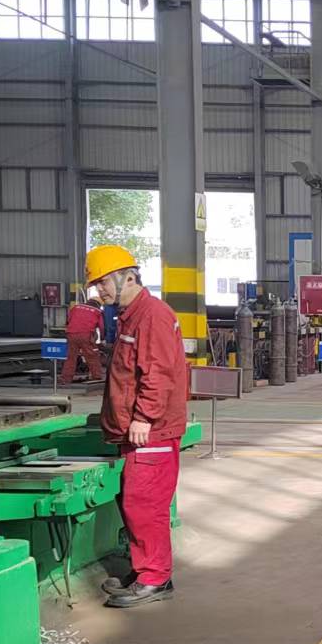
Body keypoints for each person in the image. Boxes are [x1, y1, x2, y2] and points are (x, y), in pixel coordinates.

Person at [85, 244, 190, 608]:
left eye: (103, 283)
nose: (99, 291)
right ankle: (146, 570)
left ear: (128, 278)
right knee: (136, 503)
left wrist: (144, 416)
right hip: (140, 430)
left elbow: (158, 372)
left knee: (146, 505)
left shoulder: (152, 316)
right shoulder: (131, 316)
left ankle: (155, 579)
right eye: (97, 285)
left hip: (152, 430)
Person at [60, 293, 105, 383]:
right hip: (86, 335)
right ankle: (97, 376)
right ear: (98, 304)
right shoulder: (97, 311)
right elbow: (101, 327)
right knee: (92, 355)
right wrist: (102, 338)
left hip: (71, 334)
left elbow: (68, 320)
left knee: (71, 357)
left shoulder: (76, 307)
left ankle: (65, 379)